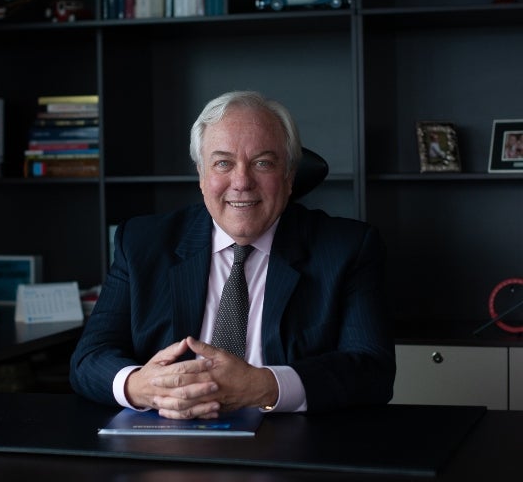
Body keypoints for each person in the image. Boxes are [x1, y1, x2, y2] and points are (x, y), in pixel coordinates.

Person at [69, 90, 395, 419]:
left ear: (289, 176)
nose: (241, 182)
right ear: (201, 175)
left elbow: (372, 370)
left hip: (288, 436)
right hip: (166, 435)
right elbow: (88, 358)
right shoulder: (142, 243)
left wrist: (265, 385)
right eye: (223, 163)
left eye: (262, 163)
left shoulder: (347, 249)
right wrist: (140, 386)